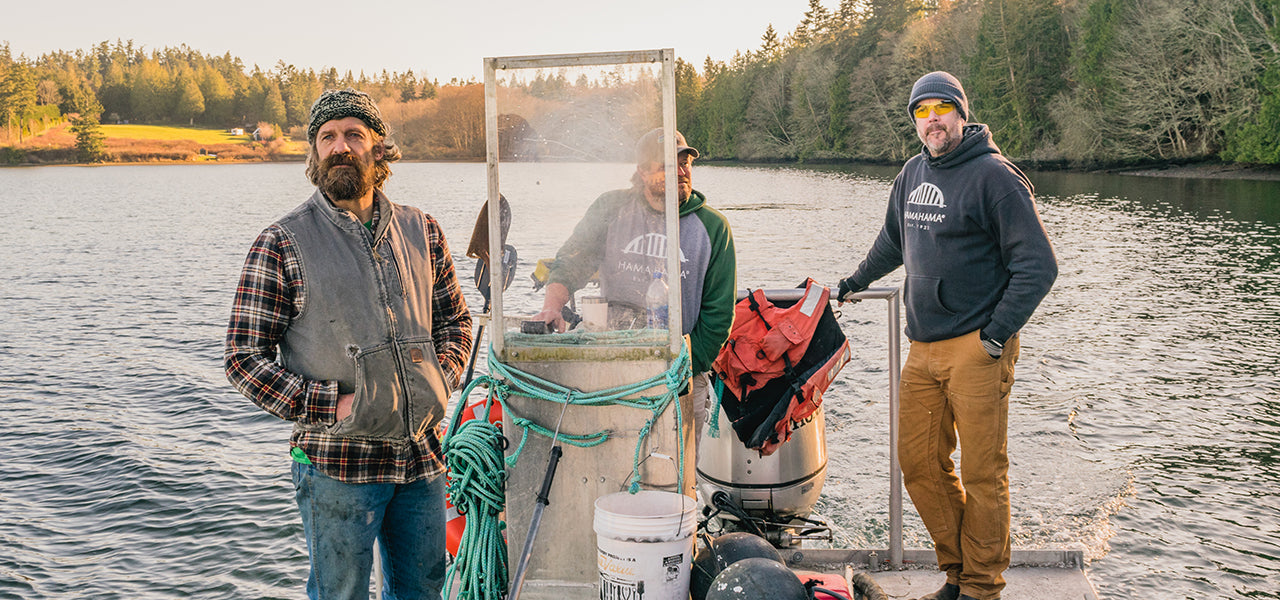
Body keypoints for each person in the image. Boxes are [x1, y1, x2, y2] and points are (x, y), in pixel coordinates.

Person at [224, 88, 472, 600]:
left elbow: (456, 325)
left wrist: (435, 382)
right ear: (314, 154)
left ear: (378, 148)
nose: (341, 146)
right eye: (327, 137)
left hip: (423, 461)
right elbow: (242, 359)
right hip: (337, 464)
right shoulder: (282, 241)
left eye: (354, 135)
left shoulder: (422, 229)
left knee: (423, 592)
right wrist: (331, 404)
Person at [835, 72, 1057, 600]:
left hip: (979, 347)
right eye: (921, 112)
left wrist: (996, 335)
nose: (931, 119)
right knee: (918, 464)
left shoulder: (994, 177)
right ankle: (957, 572)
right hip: (923, 346)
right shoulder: (911, 174)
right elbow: (894, 241)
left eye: (941, 108)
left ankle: (981, 589)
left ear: (960, 112)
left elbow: (1038, 266)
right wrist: (850, 283)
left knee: (983, 474)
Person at [530, 128, 736, 445]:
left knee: (674, 487)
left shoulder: (713, 228)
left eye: (685, 163)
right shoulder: (611, 209)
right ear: (642, 171)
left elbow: (718, 319)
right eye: (668, 165)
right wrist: (552, 306)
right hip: (611, 372)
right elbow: (572, 261)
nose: (681, 172)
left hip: (678, 378)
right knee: (607, 472)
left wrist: (678, 370)